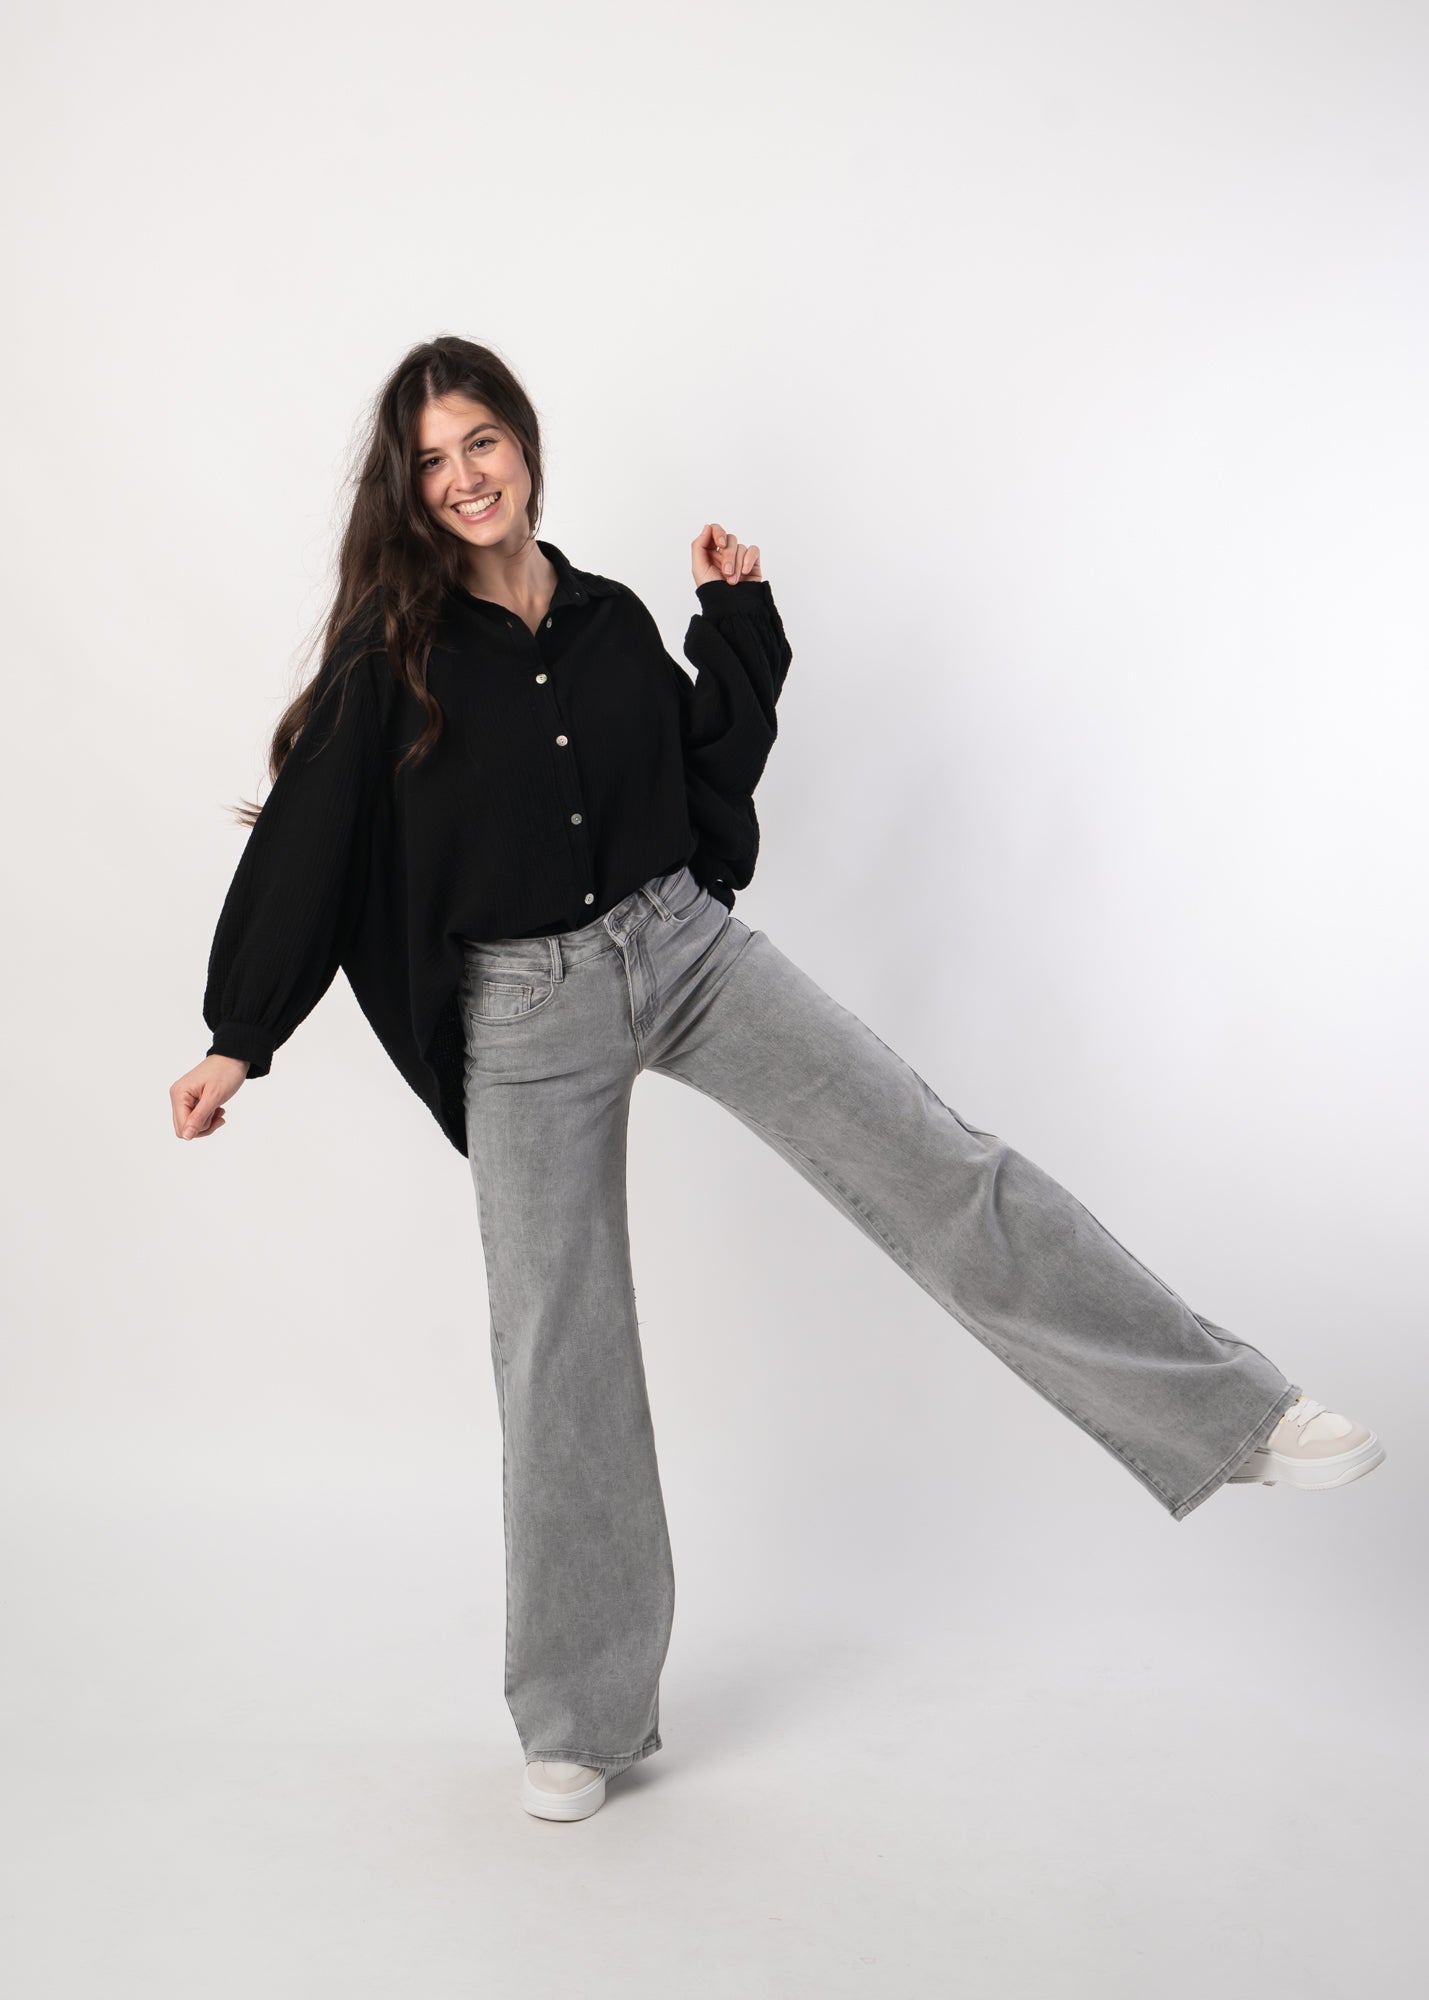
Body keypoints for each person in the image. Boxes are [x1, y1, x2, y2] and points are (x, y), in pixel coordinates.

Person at [172, 337, 1384, 1825]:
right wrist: (239, 1032)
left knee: (936, 1164)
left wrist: (735, 625)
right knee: (560, 1351)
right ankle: (580, 1716)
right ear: (406, 490)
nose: (464, 476)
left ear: (525, 444)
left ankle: (1232, 1416)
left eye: (481, 440)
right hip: (525, 1011)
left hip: (681, 947)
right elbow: (311, 834)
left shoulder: (609, 619)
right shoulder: (394, 657)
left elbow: (702, 778)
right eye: (431, 460)